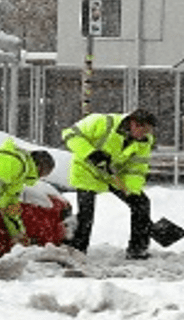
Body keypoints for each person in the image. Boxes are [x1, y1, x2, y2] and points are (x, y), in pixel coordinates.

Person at [63, 108, 157, 259]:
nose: (146, 135)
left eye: (149, 131)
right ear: (134, 124)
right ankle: (78, 250)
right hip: (87, 171)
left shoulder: (144, 141)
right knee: (86, 213)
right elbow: (69, 134)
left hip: (112, 175)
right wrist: (91, 153)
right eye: (144, 130)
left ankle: (137, 250)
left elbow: (136, 169)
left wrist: (132, 190)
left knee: (141, 203)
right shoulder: (102, 122)